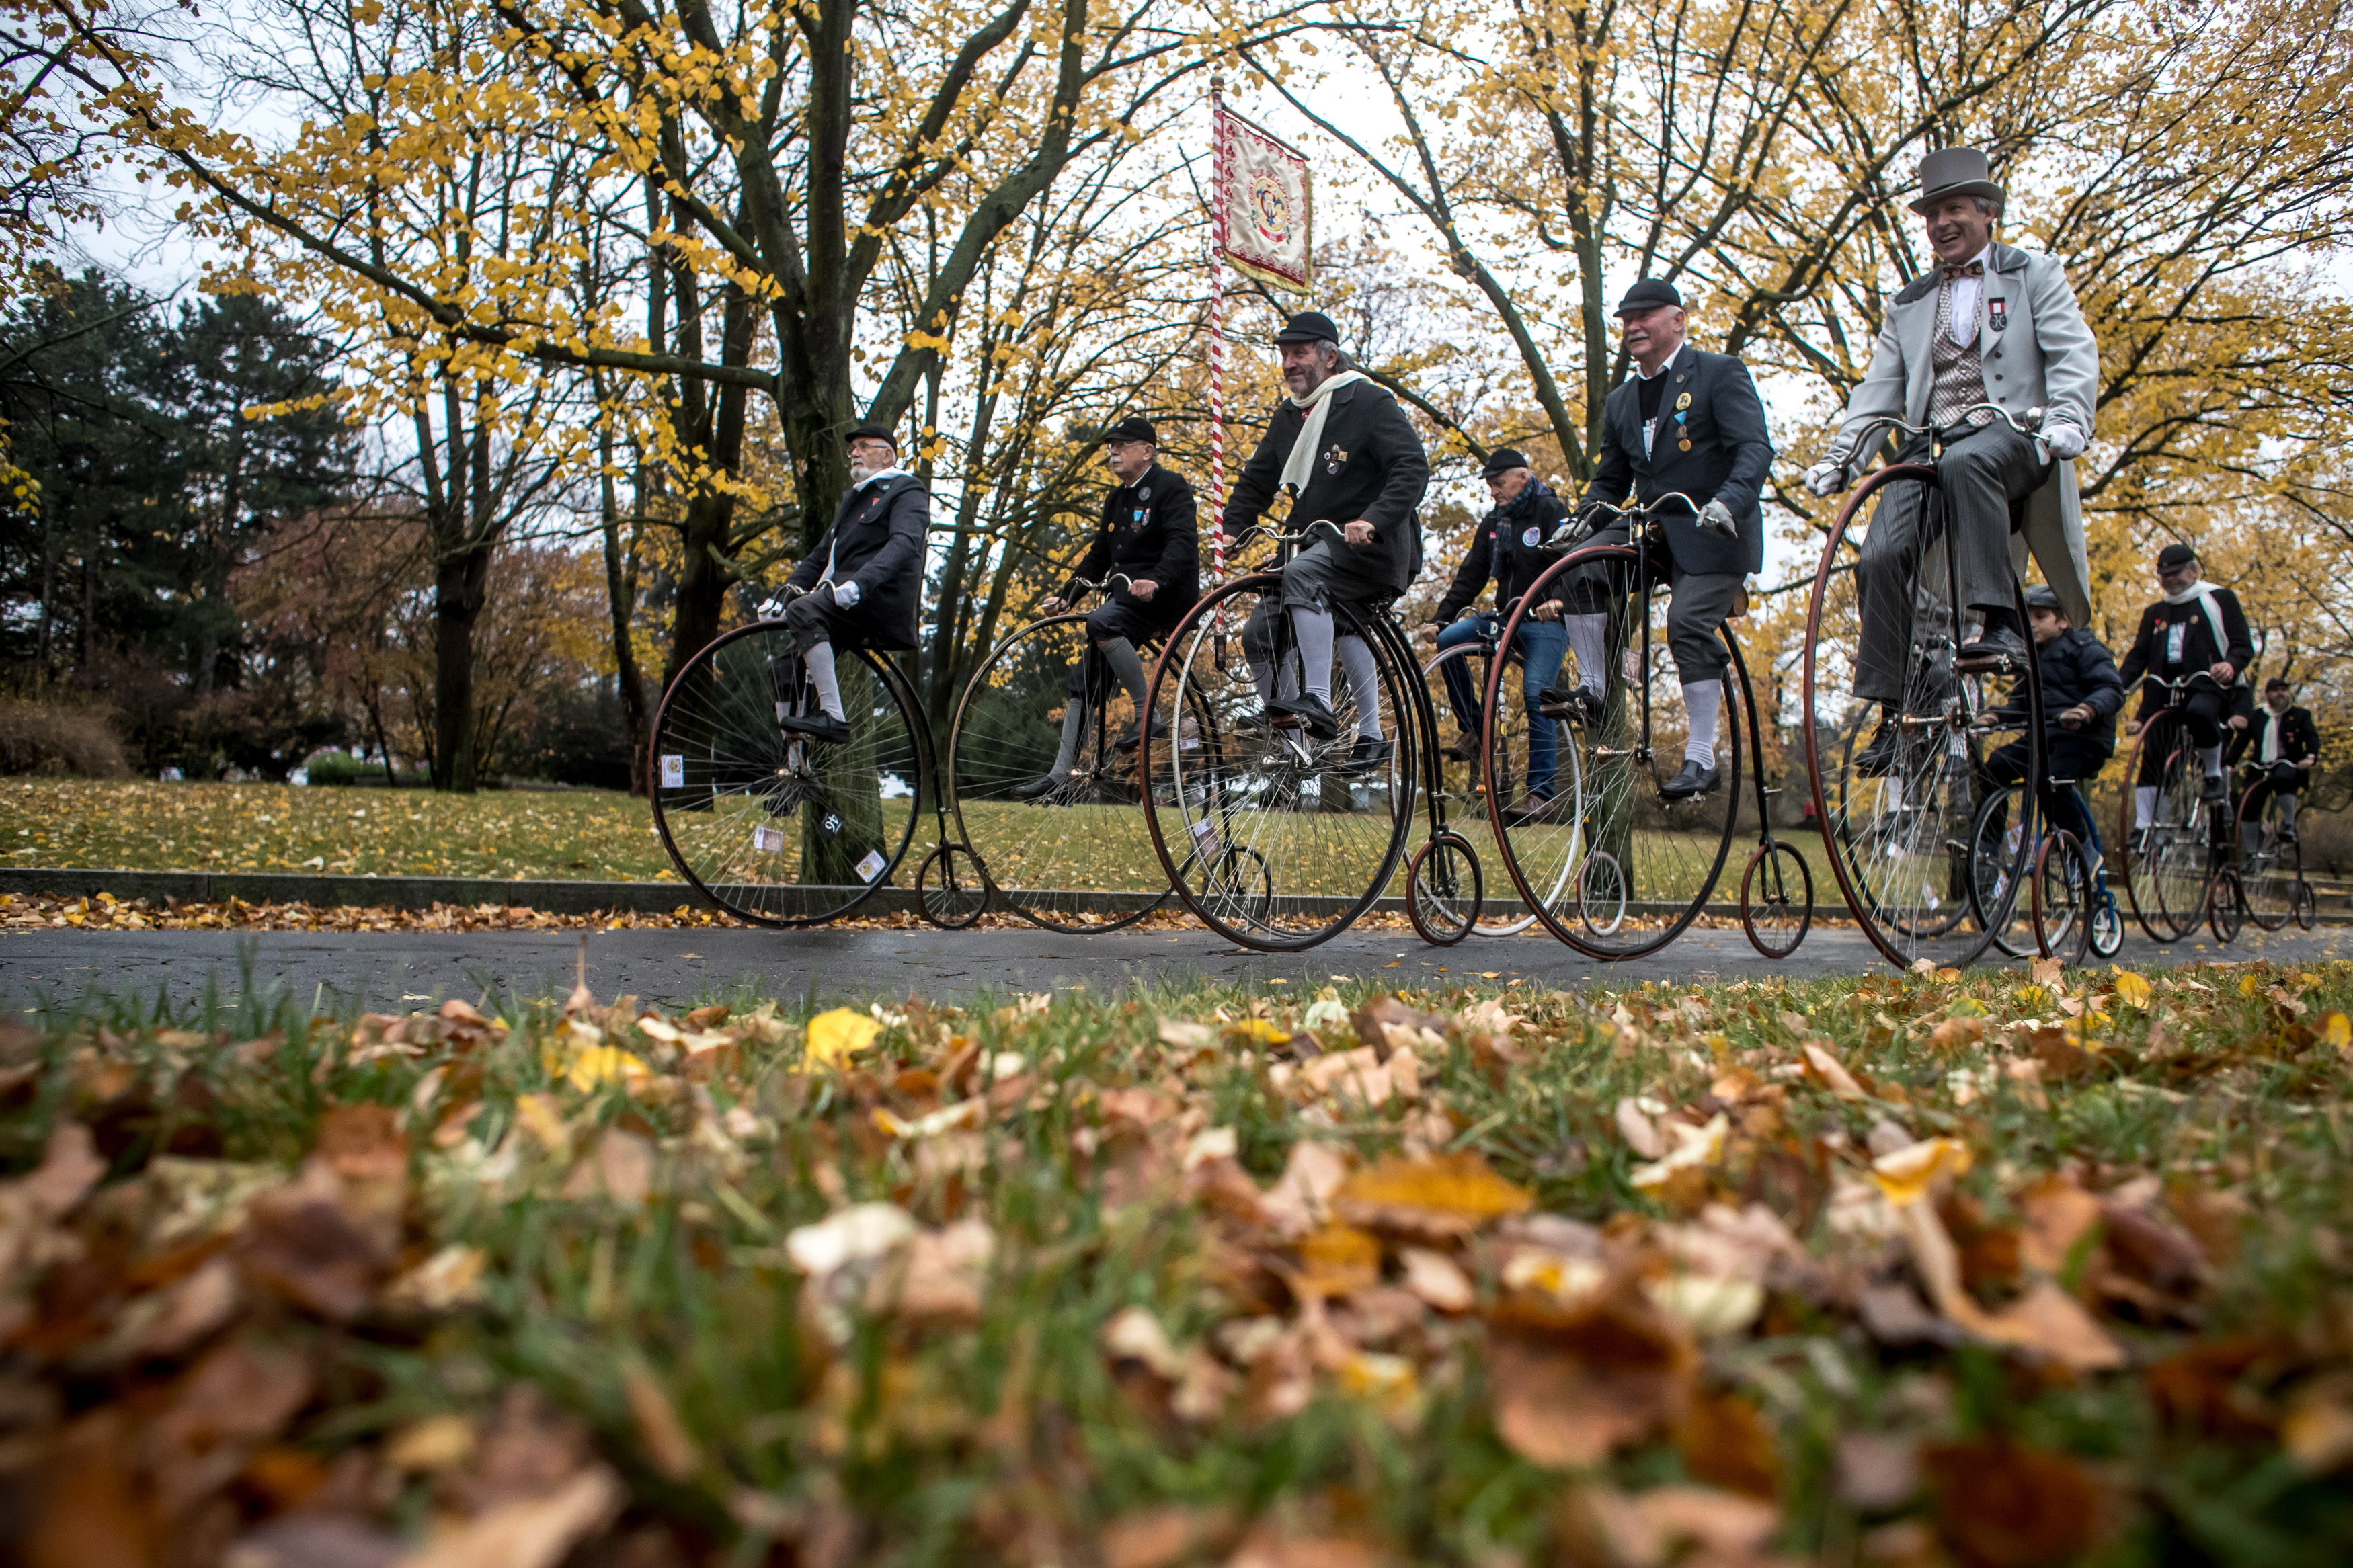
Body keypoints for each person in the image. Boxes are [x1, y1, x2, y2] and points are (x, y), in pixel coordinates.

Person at [1803, 147, 2100, 776]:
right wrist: (1844, 455)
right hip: (1930, 444)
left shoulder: (2033, 273)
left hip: (2014, 435)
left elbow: (2073, 351)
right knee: (1880, 553)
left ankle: (1997, 623)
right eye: (1933, 213)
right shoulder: (1909, 303)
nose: (1942, 223)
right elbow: (1879, 387)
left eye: (1955, 209)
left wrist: (2070, 417)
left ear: (1987, 212)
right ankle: (1898, 704)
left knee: (1970, 462)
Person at [1541, 278, 1772, 804]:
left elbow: (1754, 450)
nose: (1633, 327)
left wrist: (1729, 502)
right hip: (1657, 530)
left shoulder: (1719, 373)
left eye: (1645, 316)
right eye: (1626, 319)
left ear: (1678, 320)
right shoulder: (1623, 400)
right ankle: (1594, 689)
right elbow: (1610, 481)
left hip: (1714, 530)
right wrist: (1582, 519)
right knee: (1579, 563)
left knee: (1686, 624)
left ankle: (1701, 757)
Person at [1224, 309, 1431, 766]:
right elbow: (1257, 479)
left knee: (1306, 577)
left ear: (1330, 355)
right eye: (1284, 355)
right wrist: (1233, 527)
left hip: (1368, 547)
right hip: (1313, 543)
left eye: (1299, 353)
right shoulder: (1290, 416)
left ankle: (1317, 701)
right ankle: (1293, 740)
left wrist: (1374, 519)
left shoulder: (1368, 402)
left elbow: (1412, 466)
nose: (1289, 363)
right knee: (1259, 634)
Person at [1012, 416, 1199, 798]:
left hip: (1161, 598)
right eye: (1111, 445)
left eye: (1123, 445)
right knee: (1085, 681)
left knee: (1102, 622)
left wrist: (1158, 579)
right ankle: (1060, 773)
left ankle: (1148, 714)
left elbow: (1182, 543)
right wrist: (1068, 596)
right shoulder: (1118, 498)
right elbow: (1099, 555)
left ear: (1147, 451)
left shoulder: (1170, 486)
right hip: (1126, 601)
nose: (1113, 451)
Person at [780, 423, 928, 745]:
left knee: (804, 610)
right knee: (783, 666)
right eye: (852, 450)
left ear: (887, 454)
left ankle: (833, 716)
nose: (854, 454)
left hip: (876, 599)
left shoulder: (906, 490)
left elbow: (904, 544)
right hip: (842, 597)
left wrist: (861, 584)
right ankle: (794, 770)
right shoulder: (854, 502)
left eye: (863, 446)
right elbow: (821, 556)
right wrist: (784, 592)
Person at [1421, 448, 1569, 766]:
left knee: (1536, 693)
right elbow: (1471, 574)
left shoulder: (1550, 510)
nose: (1494, 491)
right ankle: (1474, 728)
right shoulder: (1494, 520)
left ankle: (1540, 793)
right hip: (1506, 617)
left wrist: (1559, 601)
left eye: (1499, 483)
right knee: (1451, 641)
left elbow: (1570, 562)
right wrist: (1441, 619)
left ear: (1522, 477)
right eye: (1490, 485)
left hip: (1544, 622)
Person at [1978, 583, 2123, 845]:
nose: (2031, 625)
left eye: (2041, 617)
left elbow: (2111, 689)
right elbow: (2020, 704)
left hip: (2083, 740)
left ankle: (2075, 842)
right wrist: (1997, 716)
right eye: (2027, 618)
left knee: (2049, 777)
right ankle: (1987, 842)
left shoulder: (2086, 648)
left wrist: (2086, 710)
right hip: (2043, 737)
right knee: (1996, 766)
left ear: (2064, 620)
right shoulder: (2030, 657)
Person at [2118, 542, 2253, 815]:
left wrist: (2230, 665)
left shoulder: (2219, 599)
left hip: (2206, 683)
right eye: (2164, 576)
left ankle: (2213, 773)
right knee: (2153, 754)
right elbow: (2138, 656)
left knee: (2200, 712)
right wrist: (2114, 687)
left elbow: (2241, 644)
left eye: (2176, 573)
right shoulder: (2155, 612)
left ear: (2193, 570)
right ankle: (2147, 825)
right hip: (2163, 690)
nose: (2170, 580)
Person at [2228, 676, 2319, 847]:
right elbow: (2241, 742)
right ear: (2267, 694)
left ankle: (2289, 825)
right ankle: (2253, 850)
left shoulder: (2300, 716)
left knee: (2283, 777)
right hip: (2260, 766)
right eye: (2276, 690)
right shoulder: (2257, 716)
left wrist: (2310, 757)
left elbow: (2312, 737)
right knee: (2247, 804)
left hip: (2288, 763)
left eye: (2284, 690)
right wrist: (2229, 763)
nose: (2281, 694)